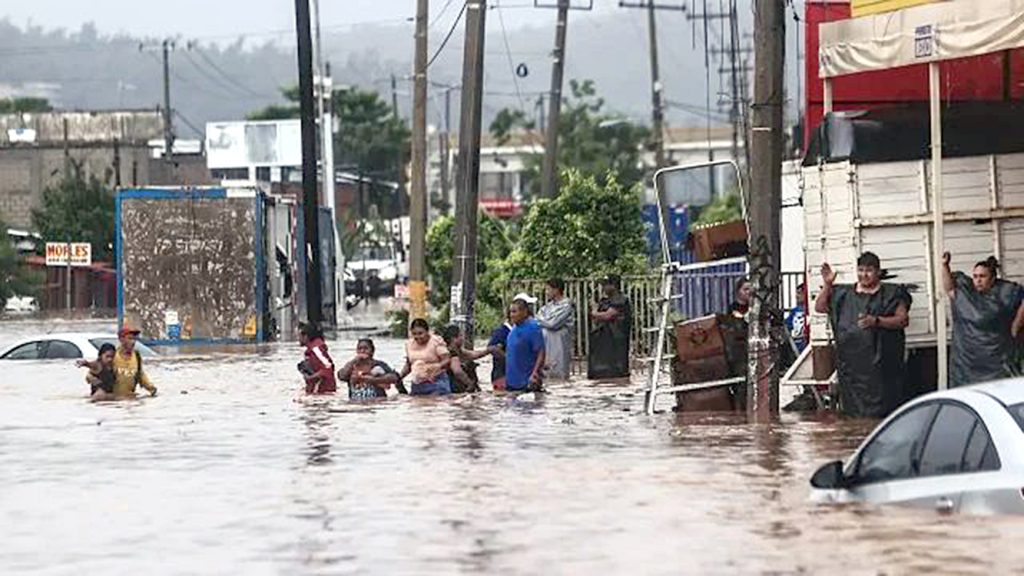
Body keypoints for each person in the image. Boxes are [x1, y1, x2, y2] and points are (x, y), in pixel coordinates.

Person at [815, 252, 912, 418]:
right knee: (854, 416)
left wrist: (877, 321)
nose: (864, 275)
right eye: (860, 270)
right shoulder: (843, 294)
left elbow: (902, 320)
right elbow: (820, 307)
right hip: (852, 370)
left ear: (878, 272)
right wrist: (827, 285)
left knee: (885, 413)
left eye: (869, 270)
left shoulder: (892, 293)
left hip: (883, 367)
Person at [943, 253, 1024, 387]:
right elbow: (949, 288)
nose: (978, 280)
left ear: (992, 279)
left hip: (996, 360)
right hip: (968, 361)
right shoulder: (965, 293)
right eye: (975, 276)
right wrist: (944, 265)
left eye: (982, 276)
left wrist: (1016, 325)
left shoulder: (1005, 291)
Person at [587, 275, 632, 380]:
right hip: (602, 341)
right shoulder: (604, 301)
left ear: (614, 286)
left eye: (606, 285)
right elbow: (597, 319)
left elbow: (608, 315)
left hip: (616, 340)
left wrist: (594, 311)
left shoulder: (621, 299)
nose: (603, 287)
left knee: (616, 373)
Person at [399, 318, 452, 395]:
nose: (417, 337)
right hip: (417, 384)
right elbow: (408, 364)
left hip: (437, 382)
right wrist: (399, 377)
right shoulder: (409, 344)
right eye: (414, 334)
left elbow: (447, 359)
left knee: (435, 404)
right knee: (418, 405)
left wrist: (437, 366)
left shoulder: (435, 341)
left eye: (420, 333)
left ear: (427, 331)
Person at [536, 278, 575, 381]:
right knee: (545, 374)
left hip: (559, 344)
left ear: (556, 290)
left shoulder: (566, 305)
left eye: (548, 289)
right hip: (546, 343)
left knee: (559, 375)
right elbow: (537, 319)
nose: (546, 292)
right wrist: (544, 321)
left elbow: (553, 323)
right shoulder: (547, 307)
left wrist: (543, 321)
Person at [336, 338, 400, 400]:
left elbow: (394, 378)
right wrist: (353, 361)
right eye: (359, 349)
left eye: (366, 348)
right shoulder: (351, 366)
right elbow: (341, 376)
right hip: (355, 404)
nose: (362, 351)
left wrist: (373, 380)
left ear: (372, 351)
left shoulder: (378, 365)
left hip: (376, 402)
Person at [506, 298, 546, 392]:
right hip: (512, 381)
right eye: (510, 312)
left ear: (524, 312)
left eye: (514, 312)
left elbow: (541, 352)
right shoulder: (514, 328)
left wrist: (535, 373)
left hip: (527, 383)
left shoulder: (533, 328)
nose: (511, 315)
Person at [111, 326, 158, 398]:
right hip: (114, 399)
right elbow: (95, 372)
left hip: (130, 398)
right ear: (121, 339)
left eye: (134, 339)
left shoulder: (137, 356)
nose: (133, 342)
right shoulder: (112, 356)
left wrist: (151, 388)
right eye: (130, 338)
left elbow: (141, 375)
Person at [441, 324, 482, 394]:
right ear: (453, 338)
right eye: (460, 336)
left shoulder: (456, 351)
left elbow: (474, 354)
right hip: (457, 388)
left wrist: (489, 350)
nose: (462, 338)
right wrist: (469, 383)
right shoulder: (452, 353)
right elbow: (457, 371)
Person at [298, 322, 337, 395]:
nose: (298, 339)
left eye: (299, 336)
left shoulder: (316, 349)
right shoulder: (311, 350)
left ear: (306, 336)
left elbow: (328, 367)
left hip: (323, 390)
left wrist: (311, 377)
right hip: (317, 390)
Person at [487, 313, 514, 391]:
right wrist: (508, 358)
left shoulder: (515, 331)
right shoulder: (501, 332)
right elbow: (491, 348)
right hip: (501, 375)